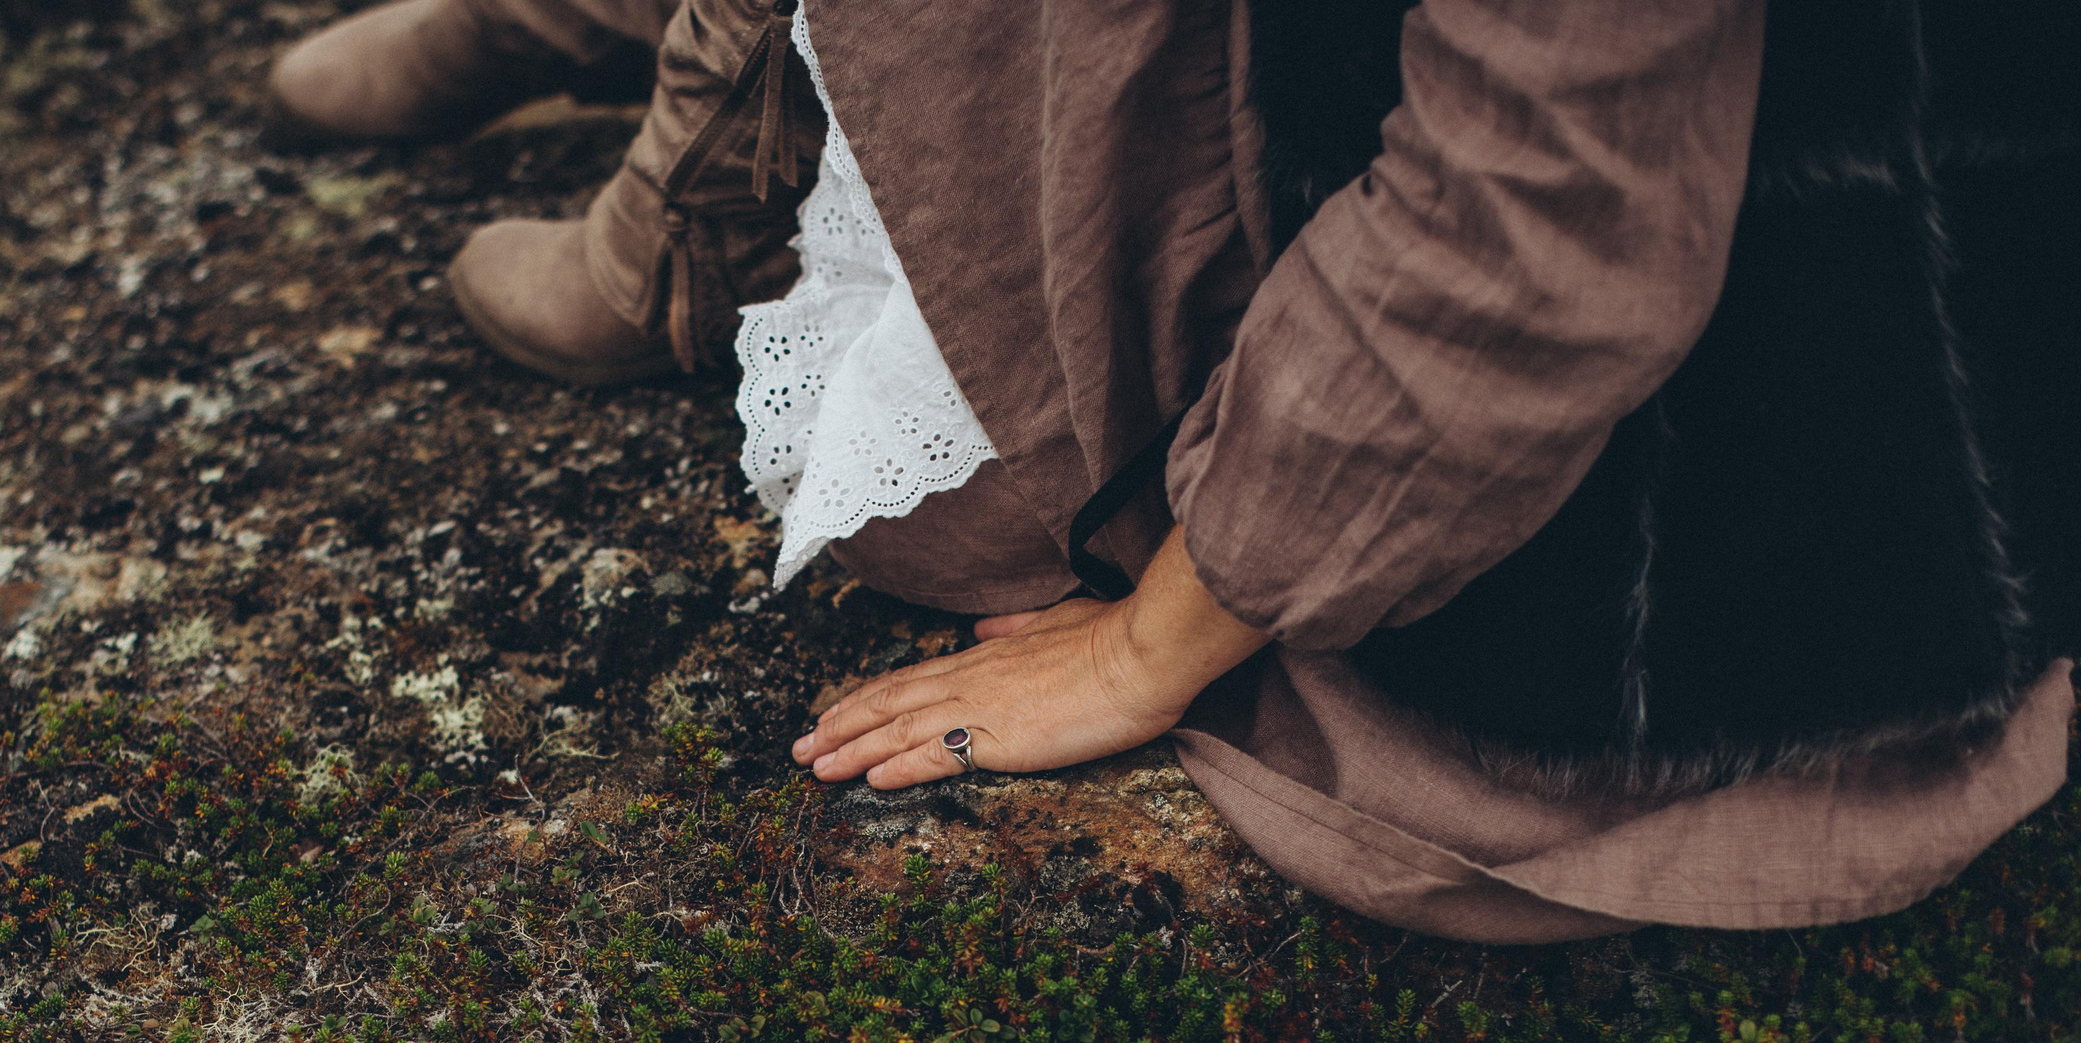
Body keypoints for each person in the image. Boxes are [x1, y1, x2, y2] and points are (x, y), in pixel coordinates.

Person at [269, 0, 2079, 943]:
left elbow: (1533, 230)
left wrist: (1168, 624)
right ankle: (627, 85)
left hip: (1687, 451)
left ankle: (684, 199)